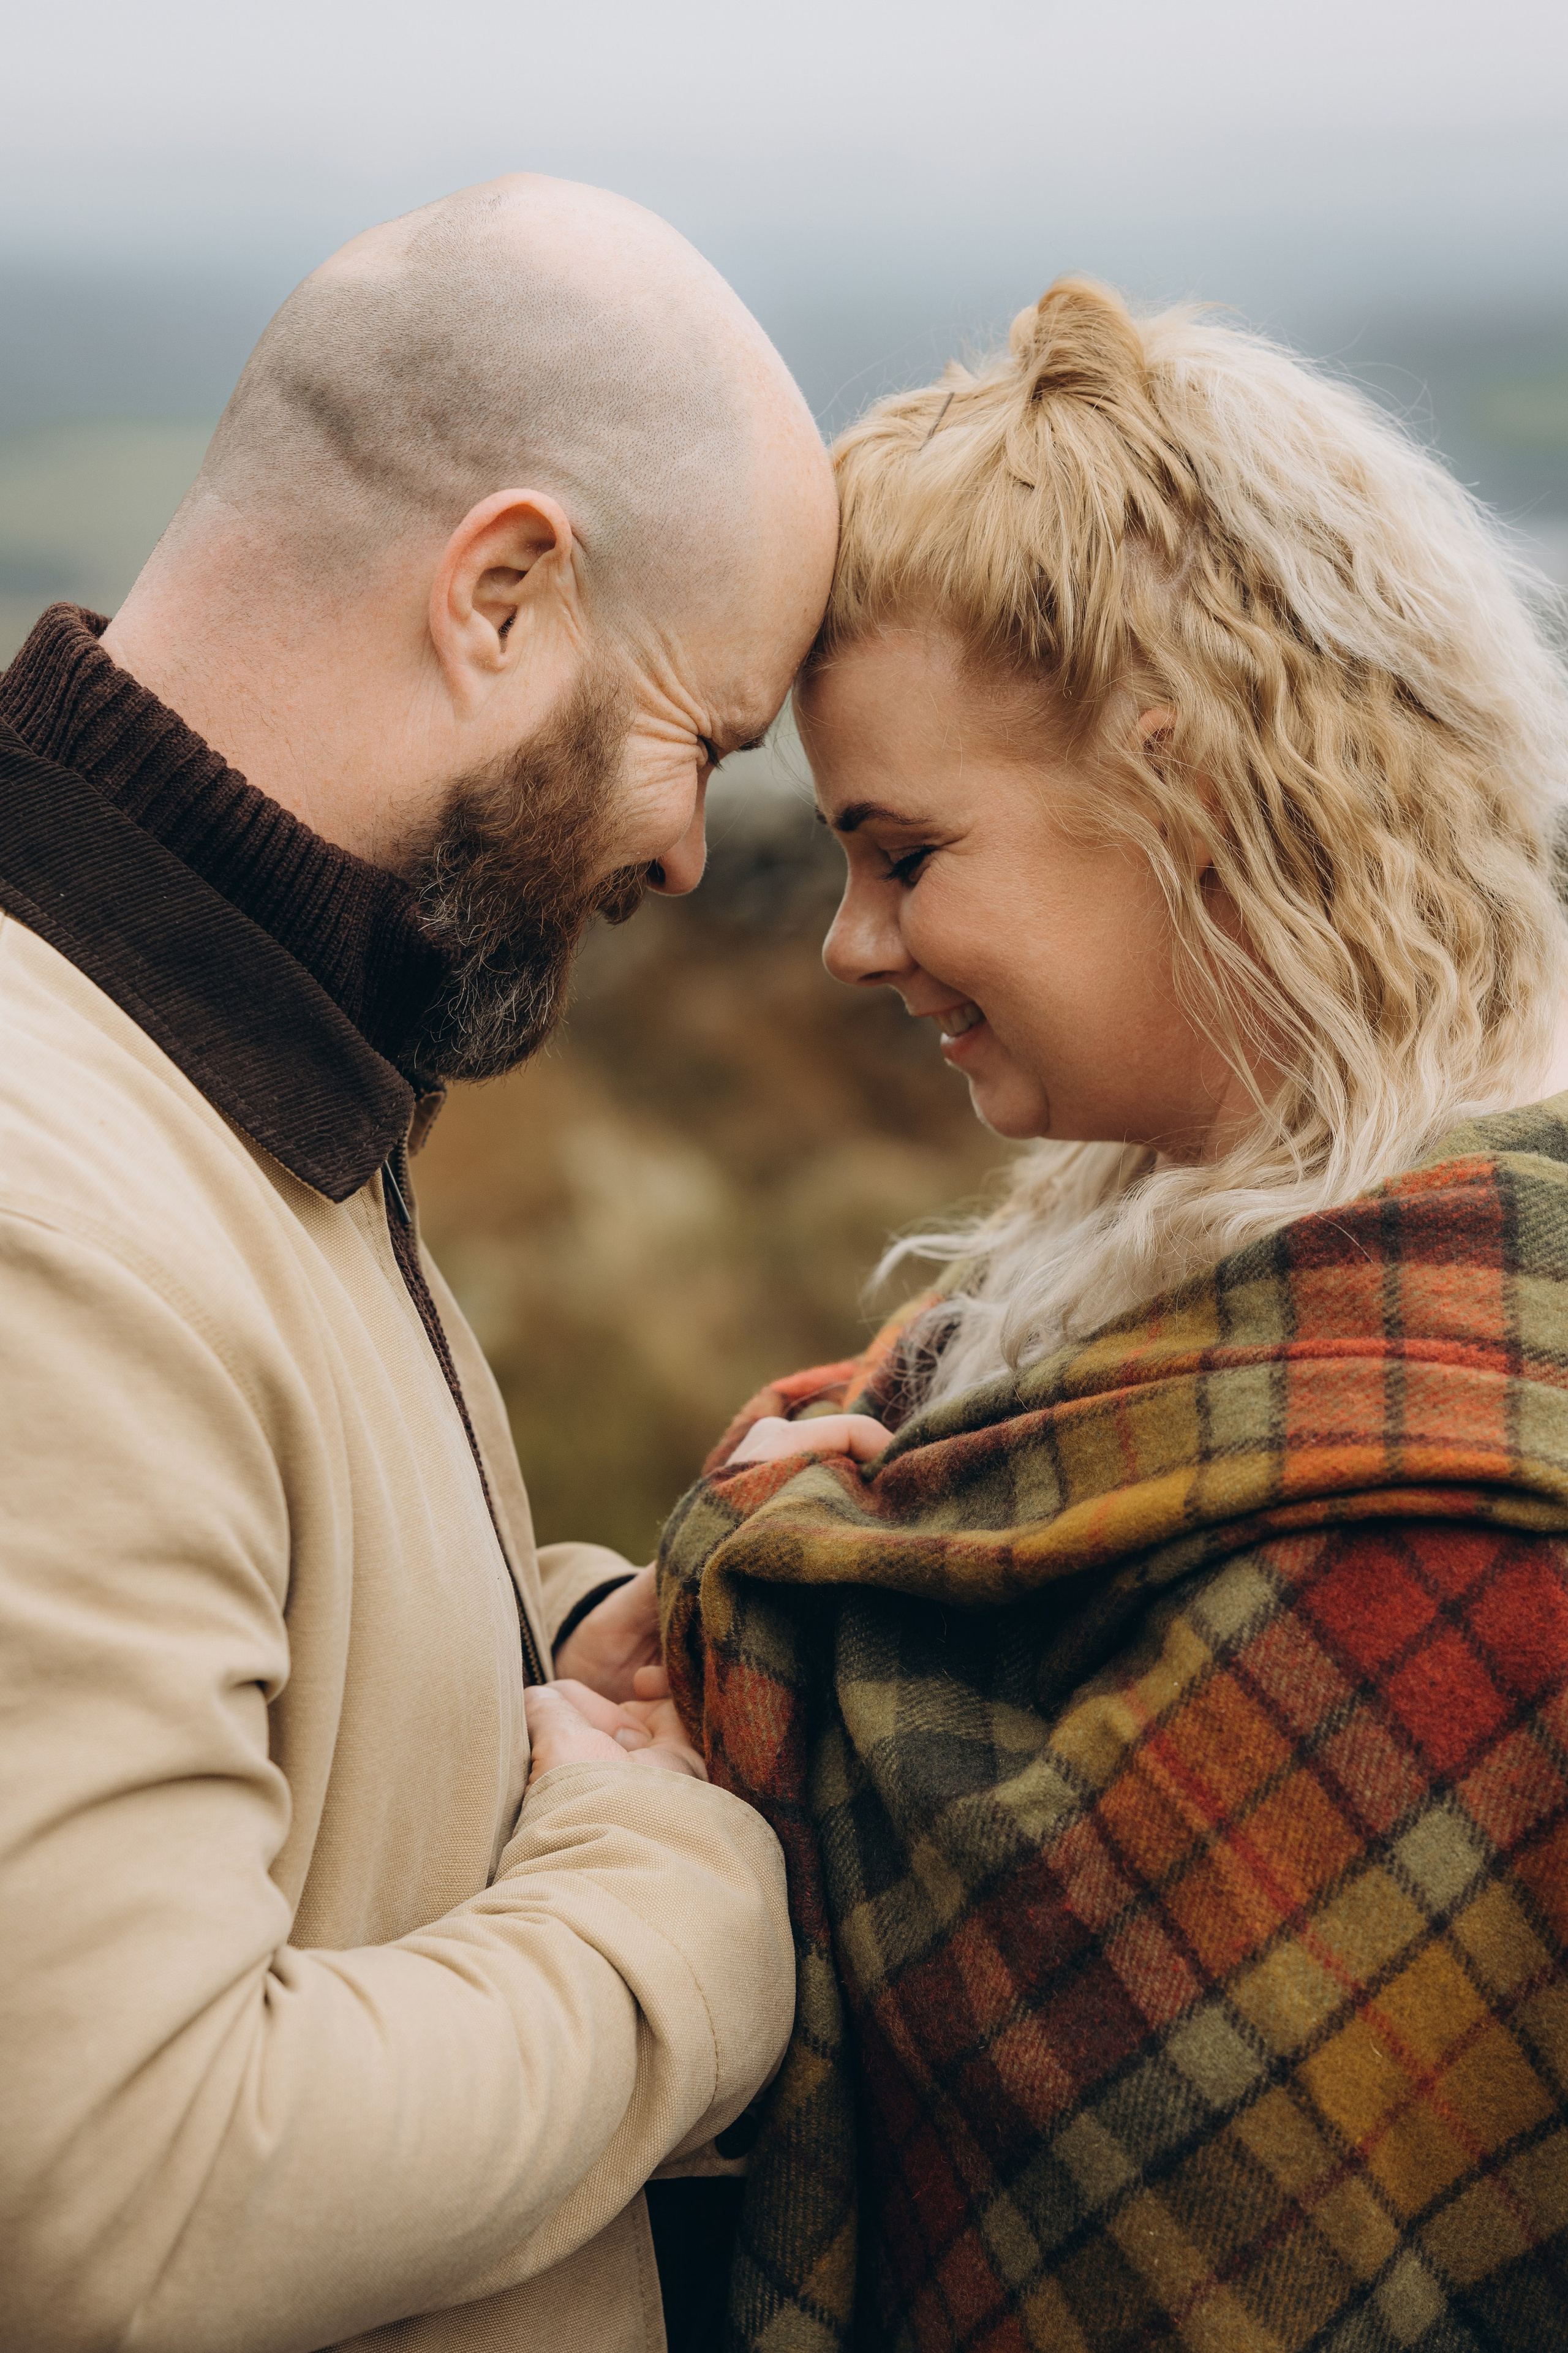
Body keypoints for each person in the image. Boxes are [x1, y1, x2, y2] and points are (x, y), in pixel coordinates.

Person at [655, 279, 1568, 2350]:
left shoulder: (1457, 1526)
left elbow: (1139, 2118)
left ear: (1194, 787)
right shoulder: (1139, 1272)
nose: (849, 942)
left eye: (904, 851)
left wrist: (737, 1676)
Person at [0, 176, 839, 2352]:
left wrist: (561, 1633)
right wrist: (689, 1900)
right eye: (710, 738)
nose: (688, 846)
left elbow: (268, 1642)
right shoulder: (47, 1196)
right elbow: (131, 2198)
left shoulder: (242, 1071)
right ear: (504, 592)